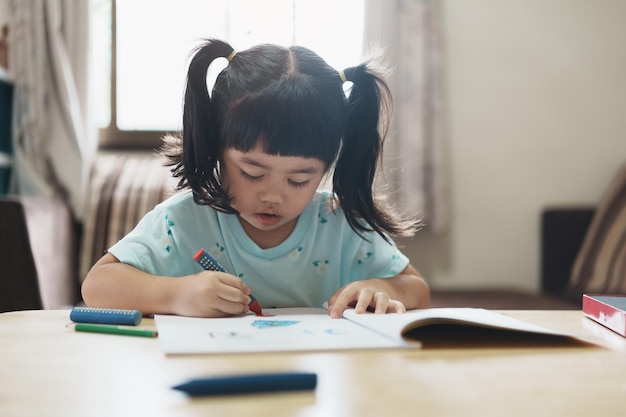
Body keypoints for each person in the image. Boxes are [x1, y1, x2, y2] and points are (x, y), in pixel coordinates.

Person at [81, 38, 430, 318]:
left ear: (325, 168)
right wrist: (177, 294)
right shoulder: (184, 220)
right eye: (252, 173)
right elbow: (98, 284)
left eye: (299, 179)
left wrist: (382, 289)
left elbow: (415, 287)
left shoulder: (339, 225)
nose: (273, 195)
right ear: (217, 148)